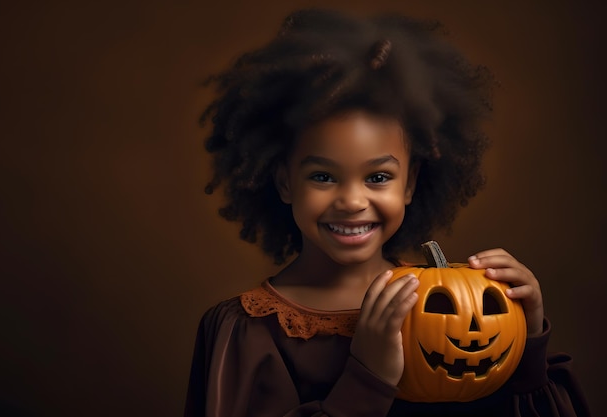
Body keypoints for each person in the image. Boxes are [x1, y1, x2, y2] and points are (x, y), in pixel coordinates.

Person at [185, 8, 591, 417]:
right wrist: (369, 378)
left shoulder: (455, 306)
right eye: (323, 176)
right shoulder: (248, 330)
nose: (351, 201)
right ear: (284, 182)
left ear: (410, 183)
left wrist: (528, 338)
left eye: (378, 178)